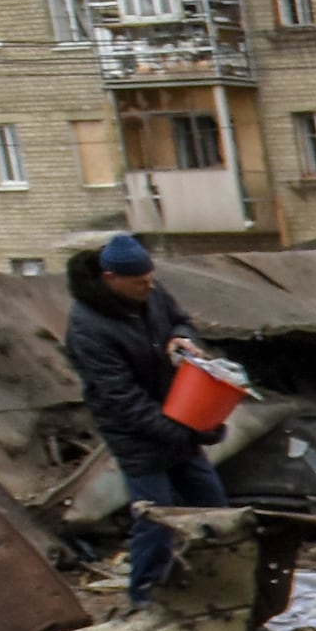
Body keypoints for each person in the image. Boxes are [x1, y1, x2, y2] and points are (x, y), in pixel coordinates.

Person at [61, 235, 224, 605]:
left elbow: (180, 320)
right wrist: (183, 432)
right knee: (156, 517)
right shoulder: (87, 329)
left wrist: (182, 338)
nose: (149, 287)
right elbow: (121, 399)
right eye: (139, 283)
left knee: (213, 507)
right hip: (135, 433)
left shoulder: (150, 293)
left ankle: (215, 585)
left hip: (175, 415)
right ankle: (145, 599)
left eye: (151, 279)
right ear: (110, 278)